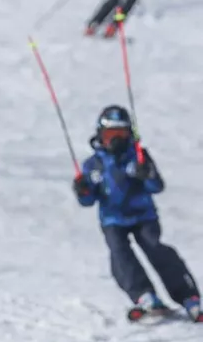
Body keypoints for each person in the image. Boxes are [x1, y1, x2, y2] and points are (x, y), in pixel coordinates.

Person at [73, 105, 201, 322]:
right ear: (100, 135)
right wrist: (83, 190)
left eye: (120, 134)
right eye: (110, 135)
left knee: (155, 248)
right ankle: (144, 296)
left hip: (143, 216)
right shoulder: (93, 165)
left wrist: (146, 174)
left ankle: (188, 297)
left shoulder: (138, 156)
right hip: (112, 219)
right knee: (120, 254)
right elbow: (88, 200)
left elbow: (157, 186)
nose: (115, 141)